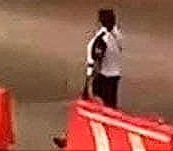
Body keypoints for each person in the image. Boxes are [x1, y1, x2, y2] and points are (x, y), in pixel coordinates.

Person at [53, 9, 123, 149]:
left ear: (100, 21)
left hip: (101, 79)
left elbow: (97, 61)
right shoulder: (118, 35)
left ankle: (70, 138)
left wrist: (89, 82)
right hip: (114, 77)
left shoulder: (102, 38)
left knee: (86, 109)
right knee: (110, 113)